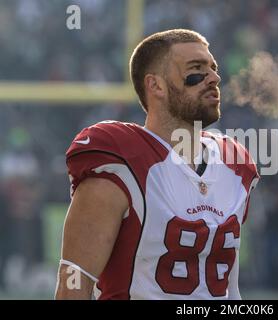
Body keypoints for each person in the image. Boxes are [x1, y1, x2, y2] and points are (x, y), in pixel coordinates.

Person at [55, 29, 259, 300]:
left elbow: (230, 290)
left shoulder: (234, 164)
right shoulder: (120, 161)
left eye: (213, 68)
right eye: (196, 69)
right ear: (156, 86)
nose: (214, 78)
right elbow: (73, 286)